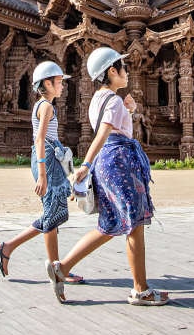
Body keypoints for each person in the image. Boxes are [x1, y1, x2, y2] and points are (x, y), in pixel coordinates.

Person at [44, 47, 169, 306]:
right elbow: (103, 133)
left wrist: (129, 111)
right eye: (123, 67)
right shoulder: (113, 100)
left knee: (109, 224)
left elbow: (112, 129)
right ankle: (141, 290)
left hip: (108, 162)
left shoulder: (98, 100)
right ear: (112, 71)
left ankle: (61, 267)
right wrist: (85, 165)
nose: (127, 72)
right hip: (118, 162)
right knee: (134, 222)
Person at [0, 62, 85, 284]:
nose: (62, 86)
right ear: (47, 83)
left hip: (49, 159)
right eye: (59, 82)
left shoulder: (43, 105)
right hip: (47, 161)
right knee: (52, 215)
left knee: (53, 213)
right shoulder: (46, 107)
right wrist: (42, 174)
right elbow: (40, 139)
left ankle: (10, 248)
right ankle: (56, 268)